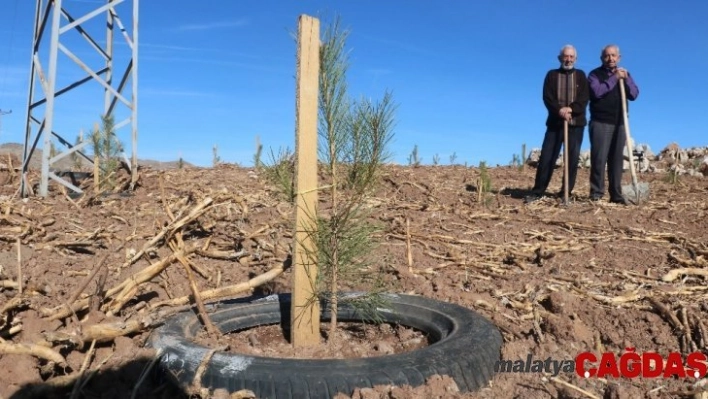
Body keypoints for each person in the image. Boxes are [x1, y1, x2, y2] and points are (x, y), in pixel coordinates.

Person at [525, 44, 589, 204]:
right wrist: (559, 110)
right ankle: (538, 191)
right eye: (565, 56)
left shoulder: (581, 75)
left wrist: (572, 109)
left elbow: (584, 97)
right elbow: (547, 97)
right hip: (555, 124)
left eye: (571, 57)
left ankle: (565, 193)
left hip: (575, 125)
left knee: (572, 159)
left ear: (575, 58)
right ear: (560, 58)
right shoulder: (551, 75)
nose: (568, 59)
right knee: (547, 157)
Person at [587, 44, 640, 205]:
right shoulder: (595, 75)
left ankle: (616, 194)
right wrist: (614, 78)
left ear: (619, 57)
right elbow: (597, 92)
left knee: (617, 161)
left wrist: (626, 79)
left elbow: (634, 94)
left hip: (620, 123)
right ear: (602, 58)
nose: (610, 58)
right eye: (607, 56)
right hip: (601, 122)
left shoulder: (625, 74)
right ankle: (596, 193)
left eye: (613, 55)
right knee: (599, 159)